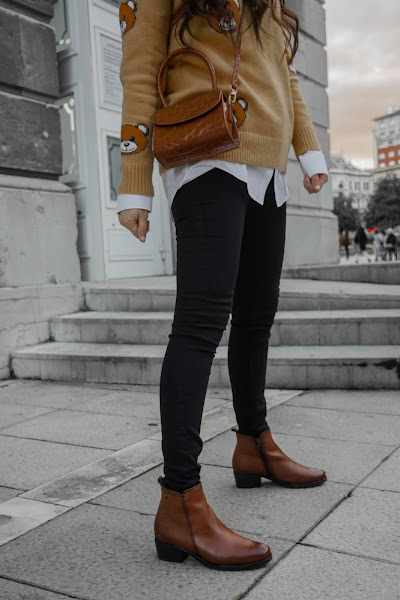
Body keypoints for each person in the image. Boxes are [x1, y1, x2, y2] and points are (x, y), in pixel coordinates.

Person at [116, 0, 328, 571]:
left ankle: (254, 445)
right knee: (200, 325)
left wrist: (307, 148)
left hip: (266, 166)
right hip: (207, 153)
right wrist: (134, 184)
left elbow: (282, 72)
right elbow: (140, 70)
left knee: (257, 315)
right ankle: (180, 499)